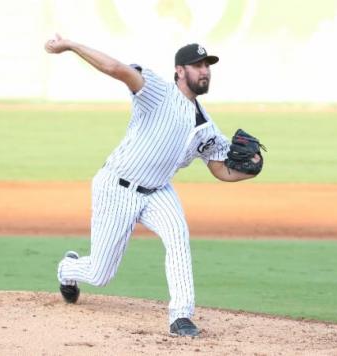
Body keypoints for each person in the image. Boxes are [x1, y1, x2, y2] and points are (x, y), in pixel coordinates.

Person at [45, 34, 262, 337]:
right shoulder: (156, 90)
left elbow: (221, 170)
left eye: (207, 65)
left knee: (177, 236)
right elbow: (114, 68)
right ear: (179, 71)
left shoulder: (206, 126)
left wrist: (249, 172)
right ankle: (67, 269)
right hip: (117, 186)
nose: (205, 70)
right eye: (197, 65)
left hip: (158, 191)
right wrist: (71, 45)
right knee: (100, 273)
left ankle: (181, 316)